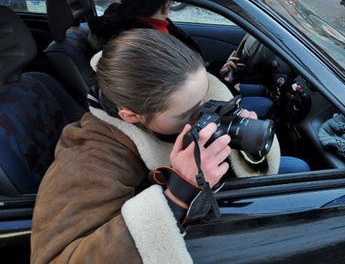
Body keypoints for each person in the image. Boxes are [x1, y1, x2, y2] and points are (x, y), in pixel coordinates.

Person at [31, 29, 278, 262]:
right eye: (187, 114)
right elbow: (57, 259)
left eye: (203, 100)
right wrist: (177, 195)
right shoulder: (89, 159)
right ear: (130, 116)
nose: (201, 115)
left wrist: (238, 138)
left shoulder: (168, 109)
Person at [88, 0, 274, 118]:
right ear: (165, 5)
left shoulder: (156, 28)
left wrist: (217, 71)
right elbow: (175, 85)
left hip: (197, 93)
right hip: (195, 101)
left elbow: (182, 75)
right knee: (266, 103)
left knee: (264, 92)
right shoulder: (145, 40)